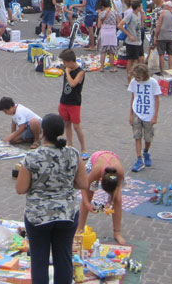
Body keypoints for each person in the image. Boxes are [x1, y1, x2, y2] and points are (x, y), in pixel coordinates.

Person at [17, 113, 87, 284]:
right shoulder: (73, 153)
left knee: (39, 260)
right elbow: (83, 183)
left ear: (42, 132)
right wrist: (65, 183)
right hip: (67, 214)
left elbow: (21, 188)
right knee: (63, 258)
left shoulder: (32, 156)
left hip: (38, 216)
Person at [77, 150, 126, 245]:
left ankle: (117, 232)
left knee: (118, 200)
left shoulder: (119, 172)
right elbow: (83, 185)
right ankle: (80, 228)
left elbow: (118, 187)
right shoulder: (96, 172)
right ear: (100, 180)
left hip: (111, 162)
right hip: (95, 160)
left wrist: (110, 201)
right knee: (88, 194)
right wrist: (87, 204)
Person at [127, 63, 161, 172]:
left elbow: (156, 100)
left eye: (138, 77)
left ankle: (146, 151)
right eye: (135, 77)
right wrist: (131, 114)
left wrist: (155, 116)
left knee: (148, 137)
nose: (136, 79)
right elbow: (133, 97)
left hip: (148, 114)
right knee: (137, 136)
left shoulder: (153, 83)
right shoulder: (133, 82)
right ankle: (139, 159)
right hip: (137, 112)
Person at [58, 49, 86, 155]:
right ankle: (70, 144)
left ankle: (83, 148)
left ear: (70, 61)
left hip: (74, 103)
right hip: (64, 101)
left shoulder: (80, 72)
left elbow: (73, 83)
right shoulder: (67, 69)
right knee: (66, 124)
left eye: (64, 62)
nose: (64, 65)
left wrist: (67, 73)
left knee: (76, 126)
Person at [117, 0, 144, 84]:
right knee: (131, 60)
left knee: (141, 59)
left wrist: (143, 16)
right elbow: (120, 25)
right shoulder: (130, 15)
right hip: (131, 42)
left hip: (139, 41)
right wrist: (129, 35)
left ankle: (140, 76)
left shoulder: (139, 14)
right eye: (140, 6)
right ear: (138, 7)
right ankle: (129, 78)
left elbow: (141, 26)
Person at [154, 2, 172, 72]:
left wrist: (156, 36)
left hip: (162, 36)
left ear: (167, 6)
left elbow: (158, 25)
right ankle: (170, 69)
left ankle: (162, 70)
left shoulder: (163, 13)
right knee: (171, 54)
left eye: (164, 6)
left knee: (161, 54)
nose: (164, 7)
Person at [97, 0, 119, 72]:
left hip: (104, 32)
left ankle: (101, 67)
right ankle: (112, 68)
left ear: (103, 6)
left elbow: (99, 25)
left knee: (103, 51)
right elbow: (118, 23)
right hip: (112, 32)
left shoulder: (101, 14)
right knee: (111, 52)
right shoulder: (115, 13)